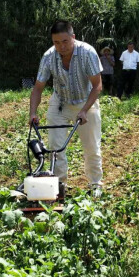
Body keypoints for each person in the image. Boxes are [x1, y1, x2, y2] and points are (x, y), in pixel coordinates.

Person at [29, 20, 104, 198]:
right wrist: (33, 112)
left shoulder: (87, 52)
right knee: (55, 148)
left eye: (65, 41)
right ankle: (59, 185)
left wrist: (85, 110)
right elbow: (38, 88)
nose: (61, 47)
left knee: (91, 146)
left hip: (86, 102)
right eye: (56, 42)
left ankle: (95, 184)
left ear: (73, 37)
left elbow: (97, 86)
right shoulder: (49, 56)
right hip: (60, 103)